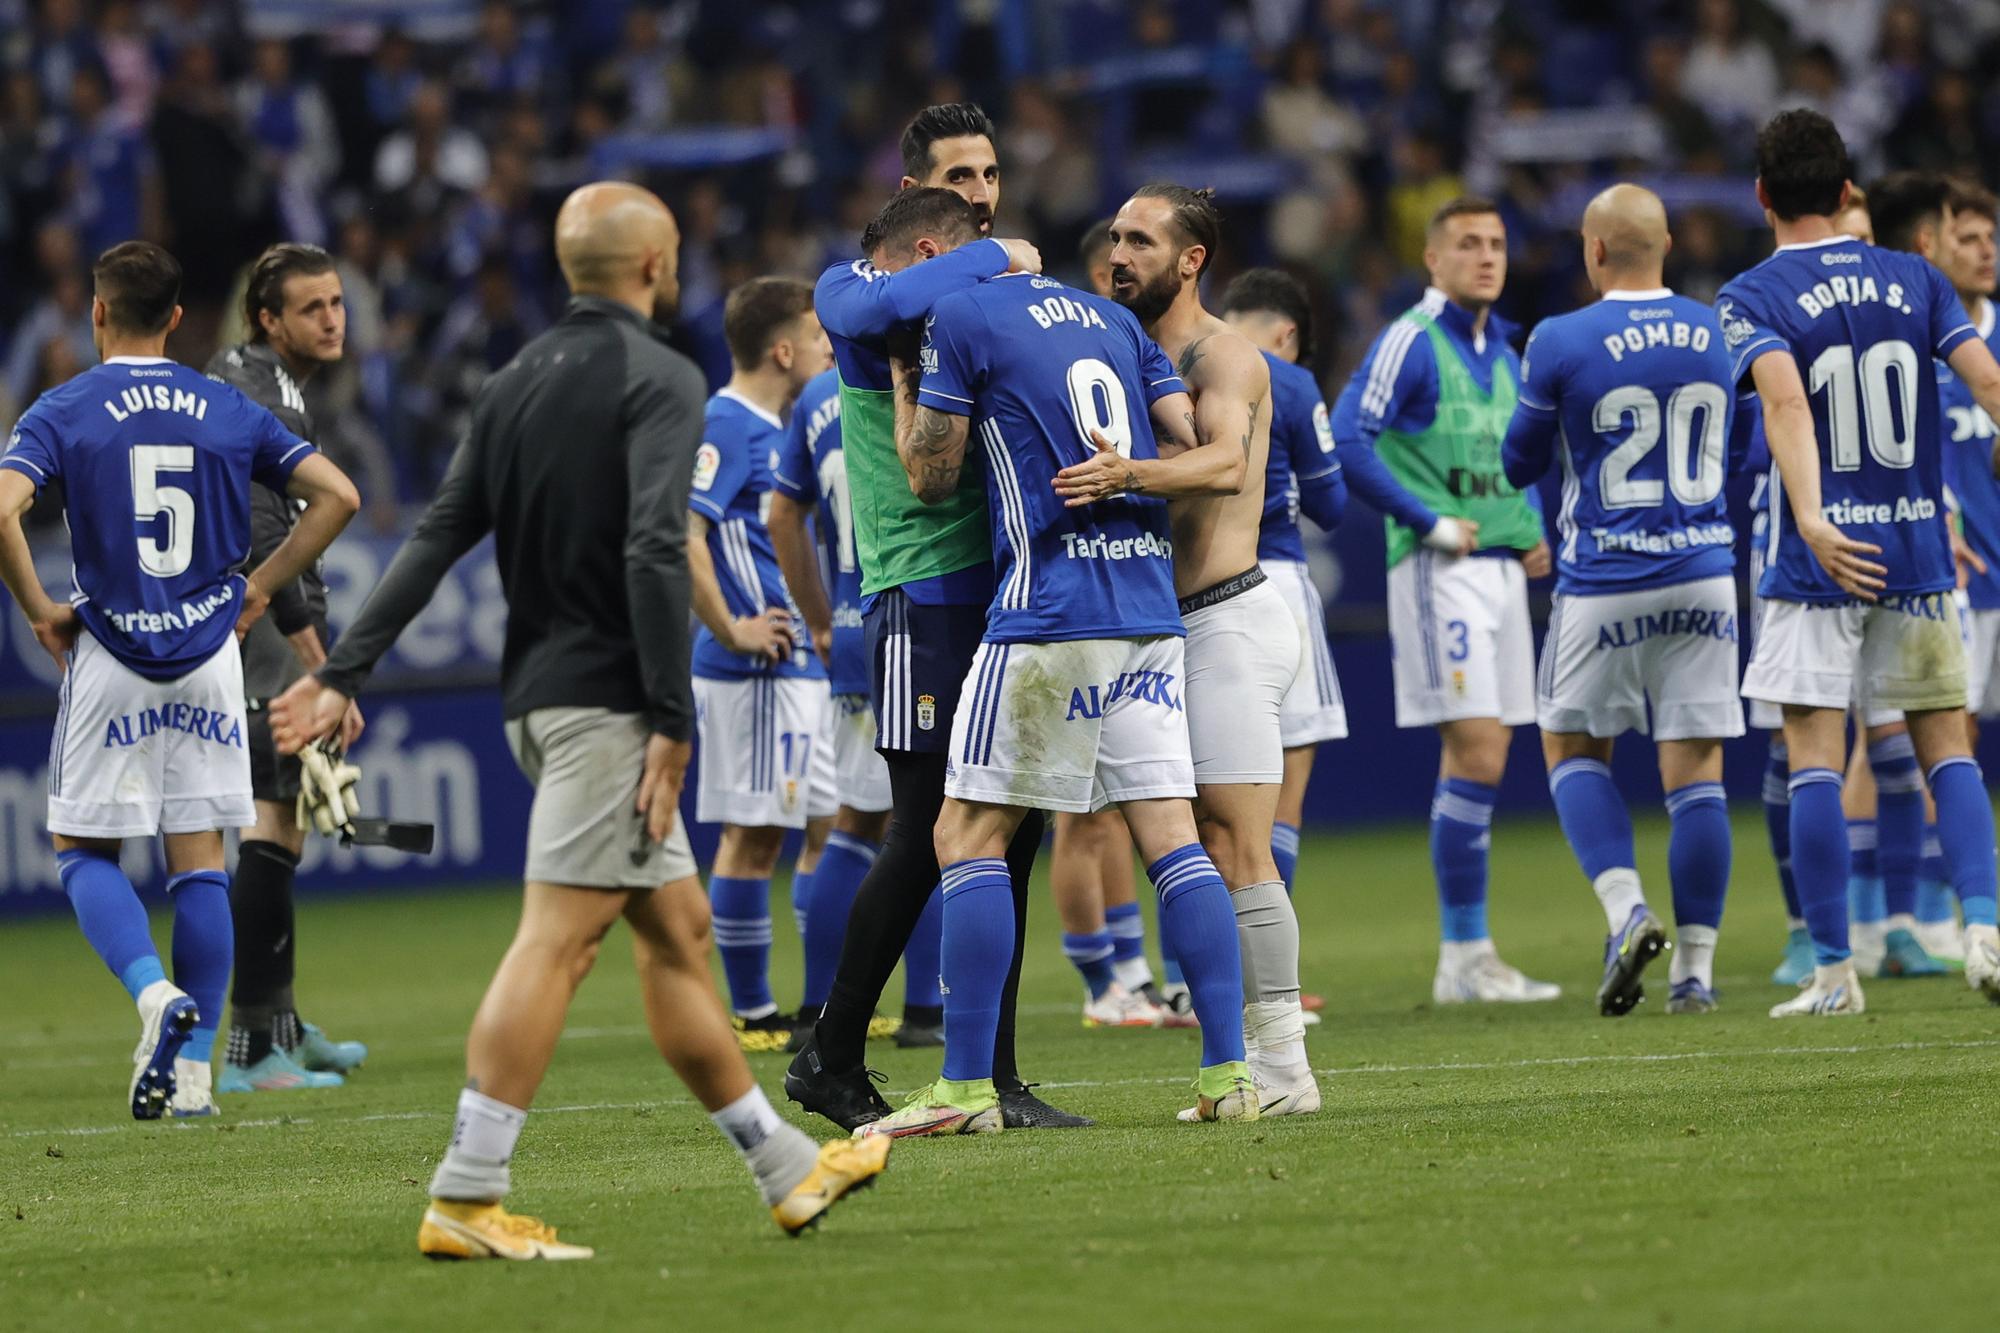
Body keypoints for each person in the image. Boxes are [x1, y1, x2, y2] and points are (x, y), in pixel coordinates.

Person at [269, 182, 890, 1258]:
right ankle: (465, 1196)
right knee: (558, 943)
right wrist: (666, 714)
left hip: (539, 694)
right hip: (611, 707)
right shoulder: (658, 377)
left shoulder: (514, 379)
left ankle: (785, 1167)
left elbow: (438, 533)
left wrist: (347, 671)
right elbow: (657, 547)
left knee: (679, 932)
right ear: (653, 266)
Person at [859, 207, 1259, 1135]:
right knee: (1171, 835)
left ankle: (965, 1090)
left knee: (964, 834)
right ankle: (1230, 1072)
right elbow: (1191, 442)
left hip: (1047, 612)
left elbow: (931, 475)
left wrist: (903, 381)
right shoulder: (1113, 322)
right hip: (1148, 610)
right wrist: (1127, 474)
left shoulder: (958, 322)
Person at [0, 240, 360, 1120]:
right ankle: (193, 1077)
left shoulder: (64, 406)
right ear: (175, 319)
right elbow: (339, 496)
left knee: (83, 852)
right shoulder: (222, 403)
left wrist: (41, 605)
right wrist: (257, 589)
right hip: (207, 658)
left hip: (114, 651)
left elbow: (2, 507)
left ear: (96, 314)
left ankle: (155, 995)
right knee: (199, 862)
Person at [786, 111, 1088, 1133]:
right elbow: (883, 309)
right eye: (962, 177)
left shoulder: (991, 296)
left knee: (1011, 833)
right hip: (921, 589)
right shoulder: (856, 290)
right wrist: (996, 256)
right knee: (923, 833)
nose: (984, 191)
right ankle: (829, 1050)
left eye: (994, 173)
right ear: (918, 194)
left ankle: (992, 1075)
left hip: (1003, 586)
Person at [1718, 109, 2000, 1015]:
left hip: (1819, 562)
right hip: (1918, 549)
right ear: (1848, 194)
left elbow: (1787, 408)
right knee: (1946, 748)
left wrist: (1811, 517)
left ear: (1761, 196)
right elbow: (1989, 381)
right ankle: (1987, 931)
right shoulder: (1917, 277)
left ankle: (1835, 971)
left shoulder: (1748, 296)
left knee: (1813, 757)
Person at [1060, 185, 1315, 1115]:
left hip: (1229, 622)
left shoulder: (1226, 355)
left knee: (1238, 845)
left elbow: (1226, 463)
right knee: (1188, 844)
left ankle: (1284, 1067)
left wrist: (1125, 473)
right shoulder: (1116, 347)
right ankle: (1242, 1056)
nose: (1118, 253)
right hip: (1159, 631)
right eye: (1114, 236)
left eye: (1140, 240)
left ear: (1191, 259)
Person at [1501, 184, 1746, 1018]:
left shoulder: (1562, 337)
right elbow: (1737, 447)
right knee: (1697, 771)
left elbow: (1518, 460)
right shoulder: (1722, 329)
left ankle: (1625, 912)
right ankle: (1698, 975)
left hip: (1604, 578)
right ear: (1668, 243)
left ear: (1594, 251)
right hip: (1706, 568)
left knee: (1571, 747)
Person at [1330, 197, 1562, 1005]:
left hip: (1499, 568)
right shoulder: (1411, 339)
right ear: (1433, 260)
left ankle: (1469, 954)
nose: (1487, 256)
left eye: (1497, 243)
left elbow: (1519, 453)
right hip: (1439, 569)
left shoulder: (1507, 346)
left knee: (1489, 753)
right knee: (1472, 747)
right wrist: (1426, 520)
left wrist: (1529, 525)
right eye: (1468, 244)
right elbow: (1347, 434)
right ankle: (1463, 954)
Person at [206, 243, 370, 1094]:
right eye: (313, 307)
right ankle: (249, 1049)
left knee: (290, 821)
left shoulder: (266, 379)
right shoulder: (255, 387)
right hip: (264, 635)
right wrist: (321, 664)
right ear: (268, 318)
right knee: (272, 823)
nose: (333, 318)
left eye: (337, 302)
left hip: (268, 628)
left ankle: (280, 1021)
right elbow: (263, 531)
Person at [768, 363, 947, 1048]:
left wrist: (820, 618)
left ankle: (817, 1007)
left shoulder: (817, 394)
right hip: (921, 617)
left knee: (855, 822)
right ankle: (924, 1009)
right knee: (929, 820)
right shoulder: (930, 374)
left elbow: (783, 512)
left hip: (852, 626)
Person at [685, 275, 837, 1050]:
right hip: (754, 668)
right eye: (816, 339)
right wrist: (734, 628)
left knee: (828, 825)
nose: (825, 349)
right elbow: (685, 533)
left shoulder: (782, 422)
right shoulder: (725, 422)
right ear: (783, 350)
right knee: (754, 834)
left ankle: (819, 1007)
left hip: (797, 663)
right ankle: (751, 1012)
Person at [1745, 187, 1882, 988]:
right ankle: (1810, 928)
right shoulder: (1769, 307)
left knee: (1898, 740)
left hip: (1888, 545)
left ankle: (1892, 917)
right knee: (1793, 745)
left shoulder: (1891, 306)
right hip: (1797, 548)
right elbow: (1753, 428)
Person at [1048, 215, 1173, 1030]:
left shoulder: (1130, 354)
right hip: (1074, 596)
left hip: (1122, 591)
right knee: (1081, 812)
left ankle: (1131, 971)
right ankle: (1100, 982)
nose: (1122, 275)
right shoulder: (1081, 356)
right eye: (1114, 265)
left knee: (1118, 808)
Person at [1218, 267, 1347, 1020]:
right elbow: (1329, 504)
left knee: (1207, 805)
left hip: (1198, 590)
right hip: (1278, 587)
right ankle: (1270, 987)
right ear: (1288, 332)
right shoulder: (1291, 381)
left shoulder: (1187, 368)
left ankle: (1194, 977)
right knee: (1280, 799)